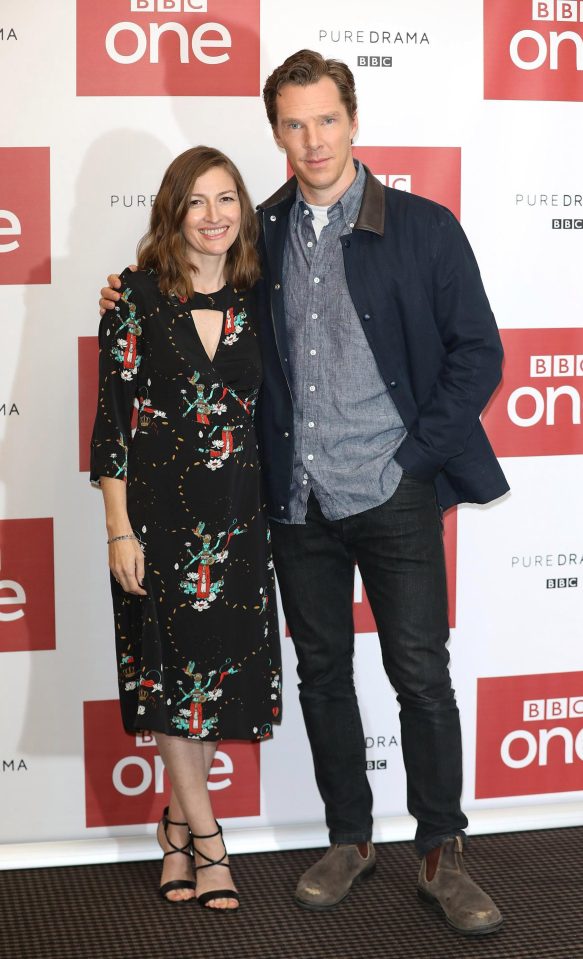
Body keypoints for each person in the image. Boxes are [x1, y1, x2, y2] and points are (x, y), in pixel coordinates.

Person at [100, 51, 509, 935]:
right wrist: (127, 290)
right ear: (275, 132)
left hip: (393, 493)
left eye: (325, 119)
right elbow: (185, 296)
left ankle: (440, 851)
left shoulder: (423, 227)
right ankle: (349, 837)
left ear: (352, 120)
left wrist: (414, 456)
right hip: (295, 505)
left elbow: (479, 351)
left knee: (420, 678)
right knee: (323, 675)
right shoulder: (260, 234)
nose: (311, 139)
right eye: (292, 124)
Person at [91, 145, 281, 913]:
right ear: (173, 211)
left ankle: (173, 827)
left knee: (205, 687)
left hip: (238, 525)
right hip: (158, 526)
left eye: (227, 198)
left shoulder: (260, 296)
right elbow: (111, 425)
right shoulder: (134, 297)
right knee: (172, 682)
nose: (214, 215)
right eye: (197, 201)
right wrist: (117, 530)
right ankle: (208, 839)